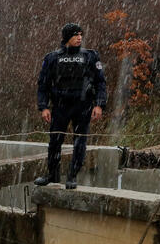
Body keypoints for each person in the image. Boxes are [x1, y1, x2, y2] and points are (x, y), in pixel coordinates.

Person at [34, 22, 107, 189]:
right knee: (55, 141)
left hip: (83, 106)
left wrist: (99, 104)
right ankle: (52, 175)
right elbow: (43, 84)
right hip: (60, 105)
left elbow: (100, 82)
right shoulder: (52, 58)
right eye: (76, 35)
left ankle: (72, 176)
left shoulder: (90, 56)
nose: (79, 37)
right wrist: (43, 107)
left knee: (80, 142)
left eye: (81, 34)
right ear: (67, 37)